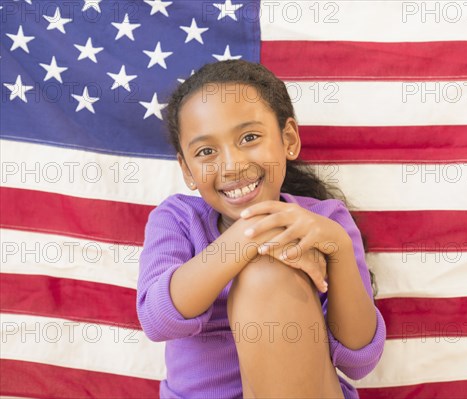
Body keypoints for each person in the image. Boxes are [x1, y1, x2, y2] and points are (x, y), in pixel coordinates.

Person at [136, 60, 386, 399]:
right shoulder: (178, 219)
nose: (232, 165)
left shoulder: (326, 223)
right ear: (188, 170)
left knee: (269, 273)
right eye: (206, 151)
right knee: (262, 266)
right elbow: (157, 319)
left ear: (288, 140)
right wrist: (248, 237)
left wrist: (338, 247)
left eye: (249, 137)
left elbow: (360, 360)